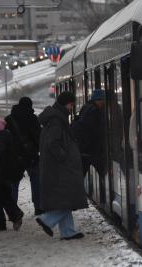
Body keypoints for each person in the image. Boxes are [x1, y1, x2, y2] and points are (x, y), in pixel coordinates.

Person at [36, 91, 87, 240]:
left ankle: (68, 231)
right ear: (67, 104)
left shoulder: (56, 117)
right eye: (71, 104)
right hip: (60, 167)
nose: (72, 107)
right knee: (70, 197)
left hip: (57, 166)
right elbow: (53, 143)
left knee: (65, 198)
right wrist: (64, 157)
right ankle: (47, 220)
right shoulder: (57, 120)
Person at [5, 97, 42, 215]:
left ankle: (13, 210)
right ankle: (38, 207)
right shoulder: (33, 118)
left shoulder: (9, 119)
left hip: (15, 157)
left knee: (14, 183)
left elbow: (6, 138)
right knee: (36, 180)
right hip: (31, 155)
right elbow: (38, 137)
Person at [71, 89, 106, 176]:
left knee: (81, 173)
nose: (104, 103)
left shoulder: (86, 107)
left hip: (84, 149)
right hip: (91, 150)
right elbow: (94, 131)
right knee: (104, 171)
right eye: (103, 100)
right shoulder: (94, 111)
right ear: (99, 100)